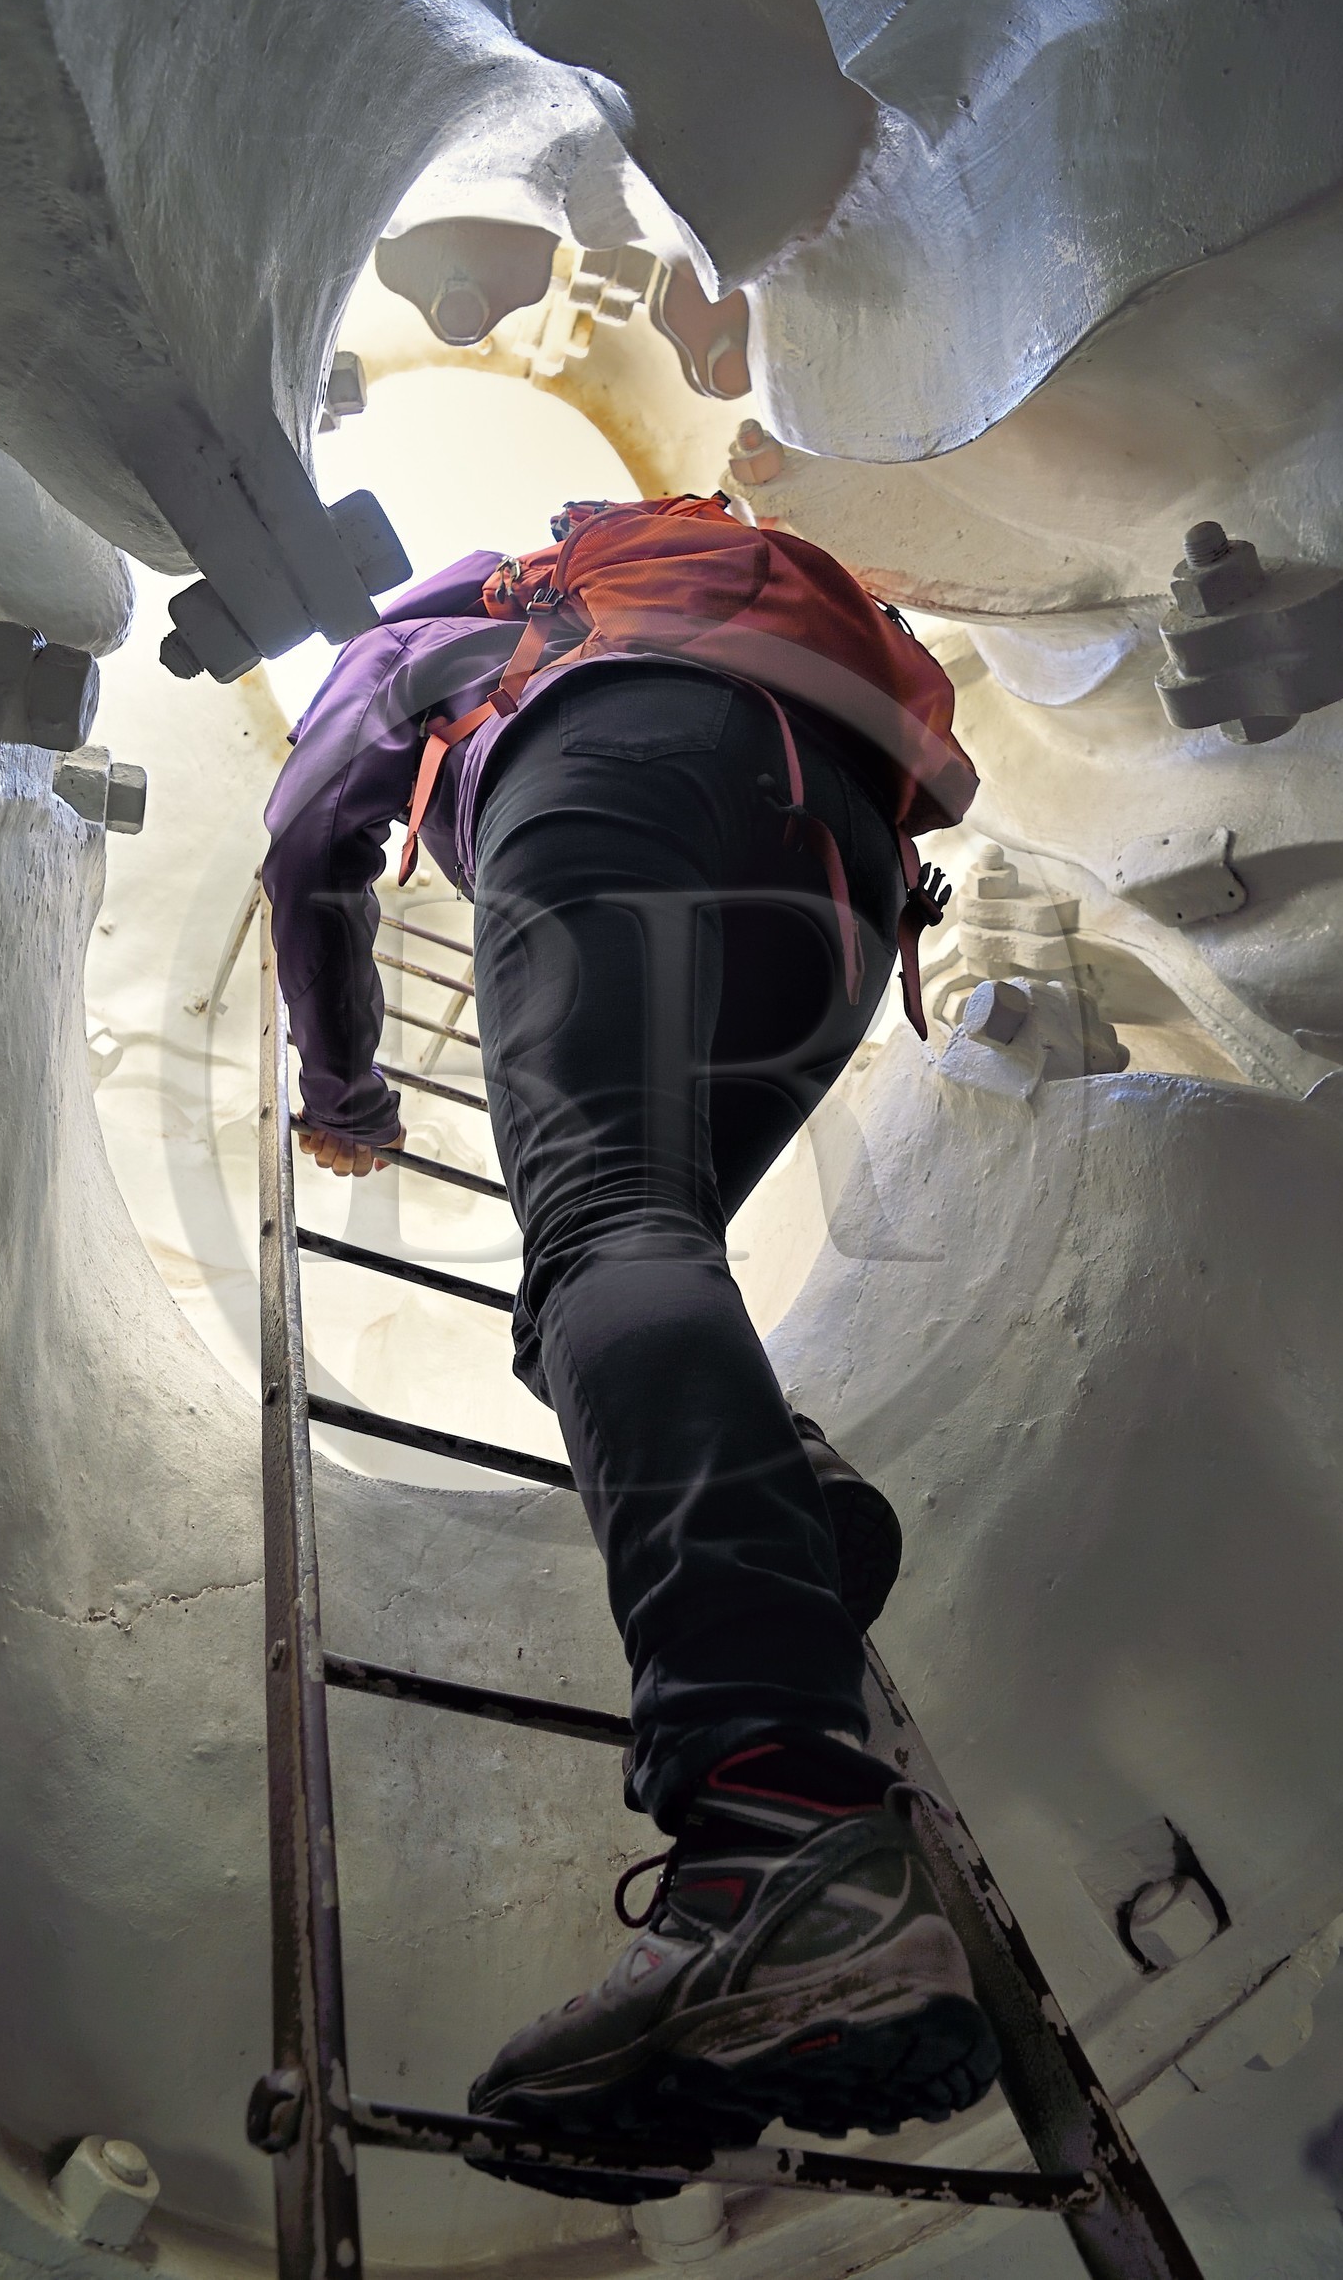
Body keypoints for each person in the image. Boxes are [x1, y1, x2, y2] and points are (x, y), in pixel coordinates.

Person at [262, 496, 996, 2193]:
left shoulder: (468, 618)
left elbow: (314, 834)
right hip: (853, 877)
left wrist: (345, 1090)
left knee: (600, 1235)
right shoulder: (751, 595)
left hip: (628, 766)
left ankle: (777, 1838)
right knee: (623, 1258)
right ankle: (779, 1500)